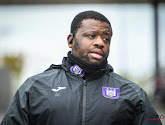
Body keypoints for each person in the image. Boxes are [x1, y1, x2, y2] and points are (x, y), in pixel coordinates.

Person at [1, 10, 162, 125]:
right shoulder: (35, 87)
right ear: (71, 40)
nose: (100, 42)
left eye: (106, 38)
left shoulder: (132, 93)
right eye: (91, 36)